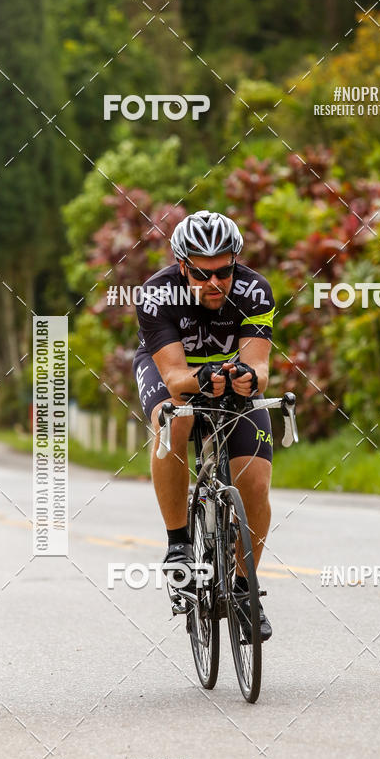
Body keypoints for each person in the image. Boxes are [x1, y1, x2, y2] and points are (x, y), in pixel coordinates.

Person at [133, 210, 275, 640]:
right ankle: (178, 545)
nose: (215, 283)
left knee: (256, 481)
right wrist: (201, 380)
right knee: (176, 419)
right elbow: (176, 380)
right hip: (172, 373)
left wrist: (246, 378)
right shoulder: (157, 294)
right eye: (201, 273)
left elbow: (259, 367)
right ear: (182, 266)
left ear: (235, 262)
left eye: (223, 270)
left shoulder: (254, 290)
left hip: (227, 374)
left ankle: (244, 588)